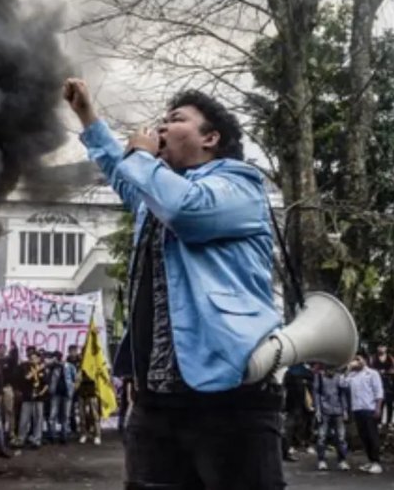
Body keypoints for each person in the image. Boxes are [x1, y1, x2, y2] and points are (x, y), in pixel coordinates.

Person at [64, 78, 285, 489]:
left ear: (210, 138)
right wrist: (87, 116)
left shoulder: (239, 184)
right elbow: (121, 171)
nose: (160, 128)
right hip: (155, 402)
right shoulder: (156, 197)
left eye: (175, 120)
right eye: (161, 121)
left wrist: (145, 160)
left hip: (229, 401)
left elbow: (188, 211)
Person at [343, 354, 384, 474]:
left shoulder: (372, 373)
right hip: (357, 409)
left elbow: (379, 392)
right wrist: (348, 369)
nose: (356, 361)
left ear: (365, 360)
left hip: (369, 408)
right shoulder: (352, 375)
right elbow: (342, 383)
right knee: (364, 437)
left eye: (358, 359)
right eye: (354, 359)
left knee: (372, 436)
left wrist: (378, 408)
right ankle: (370, 460)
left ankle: (376, 462)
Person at [312, 365, 350, 472]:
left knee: (341, 437)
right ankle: (321, 460)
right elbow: (316, 394)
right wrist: (318, 410)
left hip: (338, 410)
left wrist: (345, 409)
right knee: (321, 436)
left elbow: (342, 394)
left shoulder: (339, 377)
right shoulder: (319, 376)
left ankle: (342, 460)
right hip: (324, 410)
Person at [14, 349, 46, 449]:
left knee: (38, 419)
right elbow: (27, 378)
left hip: (39, 397)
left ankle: (36, 440)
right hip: (27, 397)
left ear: (39, 359)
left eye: (35, 358)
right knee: (24, 419)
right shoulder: (25, 367)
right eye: (31, 358)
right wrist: (36, 370)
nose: (33, 360)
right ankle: (21, 439)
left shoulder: (43, 369)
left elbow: (46, 383)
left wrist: (41, 393)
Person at [283, 363, 315, 461]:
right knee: (296, 425)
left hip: (295, 404)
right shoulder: (306, 373)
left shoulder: (290, 372)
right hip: (300, 404)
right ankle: (293, 446)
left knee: (293, 426)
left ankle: (290, 447)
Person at [46, 351, 75, 444]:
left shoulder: (69, 366)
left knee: (66, 415)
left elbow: (75, 378)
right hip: (55, 393)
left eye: (59, 357)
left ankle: (64, 435)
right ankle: (52, 435)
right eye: (56, 357)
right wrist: (53, 362)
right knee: (52, 415)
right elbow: (46, 364)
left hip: (66, 393)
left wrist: (72, 390)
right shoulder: (52, 366)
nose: (58, 358)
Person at [369, 344, 394, 427]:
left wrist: (386, 372)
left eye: (383, 346)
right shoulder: (373, 358)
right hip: (377, 383)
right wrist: (377, 372)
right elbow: (369, 369)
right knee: (379, 402)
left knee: (389, 404)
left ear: (386, 348)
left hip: (388, 384)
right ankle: (379, 421)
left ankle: (389, 421)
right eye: (379, 346)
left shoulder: (390, 358)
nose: (381, 348)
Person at [0, 343, 18, 444]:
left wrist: (15, 349)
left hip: (7, 387)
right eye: (0, 348)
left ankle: (11, 433)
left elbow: (15, 359)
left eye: (3, 348)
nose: (1, 350)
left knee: (9, 411)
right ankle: (2, 433)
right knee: (0, 413)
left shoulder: (9, 360)